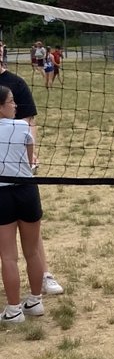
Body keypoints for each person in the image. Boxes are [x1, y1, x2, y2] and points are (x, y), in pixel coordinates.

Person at [0, 59, 62, 294]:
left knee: (29, 232)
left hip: (16, 171)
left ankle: (44, 276)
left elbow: (29, 122)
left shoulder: (15, 82)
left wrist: (30, 153)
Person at [0, 84, 46, 325]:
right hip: (27, 190)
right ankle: (35, 301)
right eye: (11, 102)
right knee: (32, 251)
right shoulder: (23, 127)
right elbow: (29, 162)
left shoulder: (21, 125)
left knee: (8, 257)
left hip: (2, 194)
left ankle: (14, 310)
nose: (15, 105)